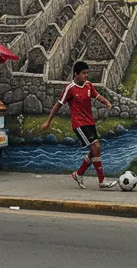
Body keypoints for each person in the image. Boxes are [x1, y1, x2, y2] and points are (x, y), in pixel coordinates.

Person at [41, 61, 116, 190]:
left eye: (87, 73)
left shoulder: (88, 85)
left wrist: (107, 102)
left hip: (90, 122)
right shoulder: (70, 89)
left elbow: (97, 96)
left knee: (95, 150)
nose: (86, 75)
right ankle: (102, 181)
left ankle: (78, 174)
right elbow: (58, 105)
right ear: (76, 74)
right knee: (96, 146)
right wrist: (48, 121)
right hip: (79, 123)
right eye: (83, 73)